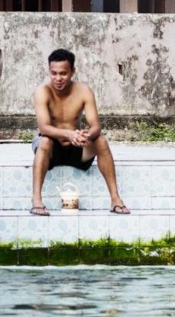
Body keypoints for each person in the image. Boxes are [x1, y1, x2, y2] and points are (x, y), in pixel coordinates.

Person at [30, 48, 128, 216]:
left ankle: (115, 199)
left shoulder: (83, 91)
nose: (58, 78)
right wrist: (69, 134)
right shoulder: (43, 91)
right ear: (49, 71)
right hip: (52, 149)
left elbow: (96, 125)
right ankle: (36, 200)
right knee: (44, 141)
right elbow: (44, 127)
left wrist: (86, 136)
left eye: (63, 73)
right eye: (54, 73)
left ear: (73, 72)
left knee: (101, 140)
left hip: (77, 148)